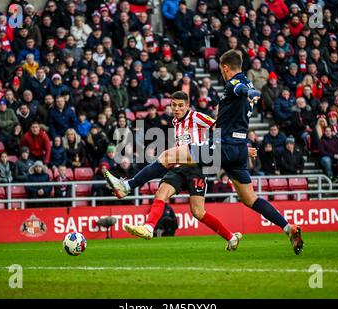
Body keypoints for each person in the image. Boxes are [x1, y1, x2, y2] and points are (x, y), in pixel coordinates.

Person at [105, 49, 303, 255]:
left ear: (226, 68)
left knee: (167, 156)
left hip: (222, 147)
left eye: (222, 69)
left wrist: (250, 92)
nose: (222, 73)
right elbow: (243, 93)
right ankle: (288, 227)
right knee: (250, 199)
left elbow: (240, 89)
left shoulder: (235, 84)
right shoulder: (247, 82)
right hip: (238, 149)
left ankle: (127, 185)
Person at [121, 91, 244, 250]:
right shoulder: (175, 122)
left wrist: (226, 146)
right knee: (161, 193)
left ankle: (231, 237)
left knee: (198, 212)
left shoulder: (196, 116)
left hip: (196, 168)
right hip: (179, 167)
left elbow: (218, 126)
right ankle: (149, 227)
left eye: (180, 105)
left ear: (187, 106)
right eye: (174, 105)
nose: (177, 109)